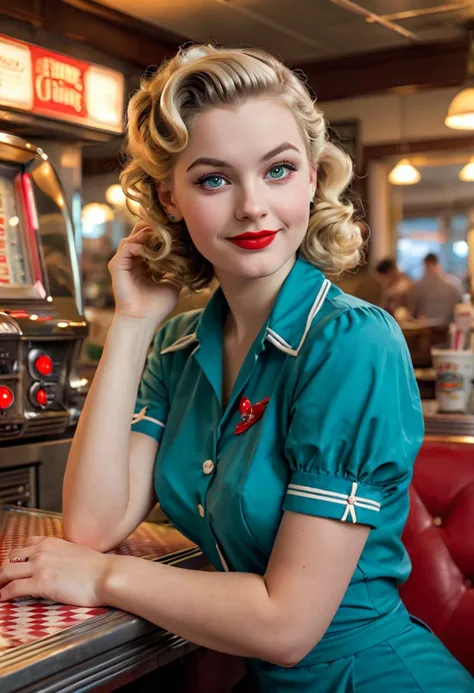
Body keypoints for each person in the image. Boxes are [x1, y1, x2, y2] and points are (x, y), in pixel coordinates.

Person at [0, 44, 472, 692]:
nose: (252, 205)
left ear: (312, 178)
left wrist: (105, 576)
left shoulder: (352, 343)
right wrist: (132, 323)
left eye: (277, 170)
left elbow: (287, 624)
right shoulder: (175, 345)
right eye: (214, 179)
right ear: (170, 198)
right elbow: (94, 522)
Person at [409, 253, 463, 325]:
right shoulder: (451, 285)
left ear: (425, 265)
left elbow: (412, 311)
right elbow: (460, 303)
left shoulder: (418, 286)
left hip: (425, 329)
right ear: (437, 264)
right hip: (445, 328)